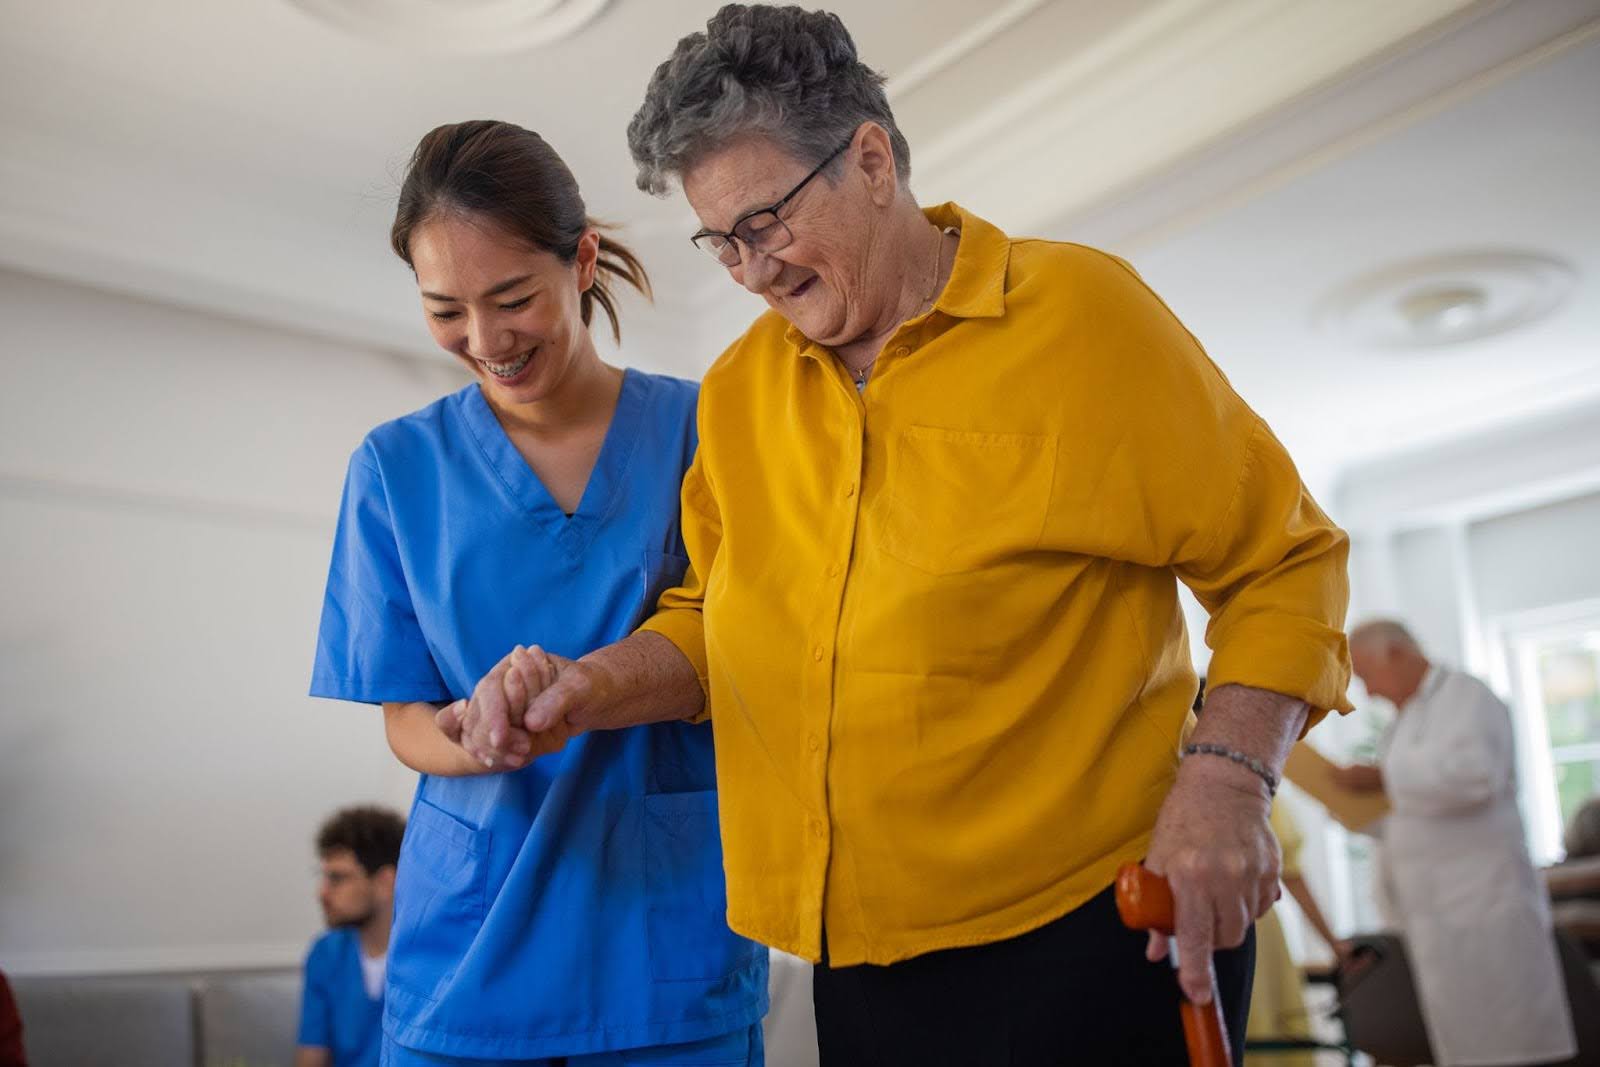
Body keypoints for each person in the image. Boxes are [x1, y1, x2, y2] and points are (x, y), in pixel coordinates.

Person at [448, 7, 1353, 1063]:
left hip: (1084, 932)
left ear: (869, 158)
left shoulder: (1082, 316)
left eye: (764, 222)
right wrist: (585, 686)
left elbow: (1284, 562)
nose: (746, 270)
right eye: (718, 241)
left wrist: (1227, 778)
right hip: (858, 953)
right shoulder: (741, 393)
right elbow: (717, 624)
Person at [309, 120, 766, 1067]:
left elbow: (746, 646)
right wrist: (478, 731)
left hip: (665, 946)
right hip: (467, 956)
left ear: (583, 260)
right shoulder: (396, 468)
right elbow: (403, 722)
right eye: (445, 310)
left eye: (512, 297)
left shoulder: (708, 428)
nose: (485, 341)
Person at [1335, 619, 1576, 1067]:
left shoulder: (1468, 697)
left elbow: (1475, 776)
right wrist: (1354, 810)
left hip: (1484, 905)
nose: (1367, 692)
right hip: (1436, 914)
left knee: (1512, 1043)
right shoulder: (1403, 723)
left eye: (1366, 675)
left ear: (1396, 653)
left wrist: (1381, 777)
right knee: (1464, 1046)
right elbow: (1414, 813)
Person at [297, 806, 405, 1067]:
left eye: (338, 878)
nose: (322, 893)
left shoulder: (431, 958)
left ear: (385, 882)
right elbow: (311, 1056)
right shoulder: (325, 954)